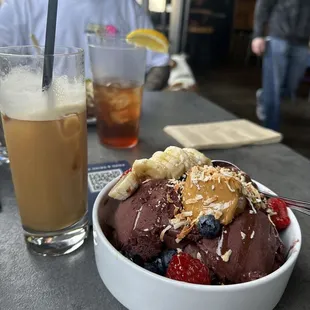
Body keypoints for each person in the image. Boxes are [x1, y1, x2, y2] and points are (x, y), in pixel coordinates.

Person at [0, 0, 170, 91]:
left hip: (113, 117)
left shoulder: (127, 5)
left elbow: (159, 62)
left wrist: (135, 104)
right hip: (45, 117)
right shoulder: (22, 4)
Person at [252, 0, 310, 131]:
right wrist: (258, 35)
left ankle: (263, 96)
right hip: (278, 37)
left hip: (302, 42)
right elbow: (263, 5)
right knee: (274, 86)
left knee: (291, 87)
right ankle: (270, 130)